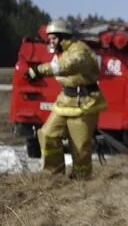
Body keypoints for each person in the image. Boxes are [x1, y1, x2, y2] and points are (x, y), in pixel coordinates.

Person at [25, 19, 108, 179]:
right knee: (47, 134)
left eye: (53, 38)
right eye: (49, 39)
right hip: (65, 100)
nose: (51, 42)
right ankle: (53, 173)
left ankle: (81, 181)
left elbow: (68, 65)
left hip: (84, 103)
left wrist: (39, 70)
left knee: (79, 148)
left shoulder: (79, 50)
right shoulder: (64, 50)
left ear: (63, 36)